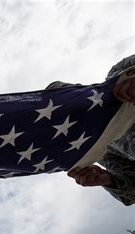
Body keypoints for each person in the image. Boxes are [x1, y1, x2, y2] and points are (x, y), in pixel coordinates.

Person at [47, 55, 135, 206]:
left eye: (69, 98)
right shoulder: (99, 148)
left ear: (80, 87)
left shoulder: (120, 73)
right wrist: (108, 179)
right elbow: (131, 190)